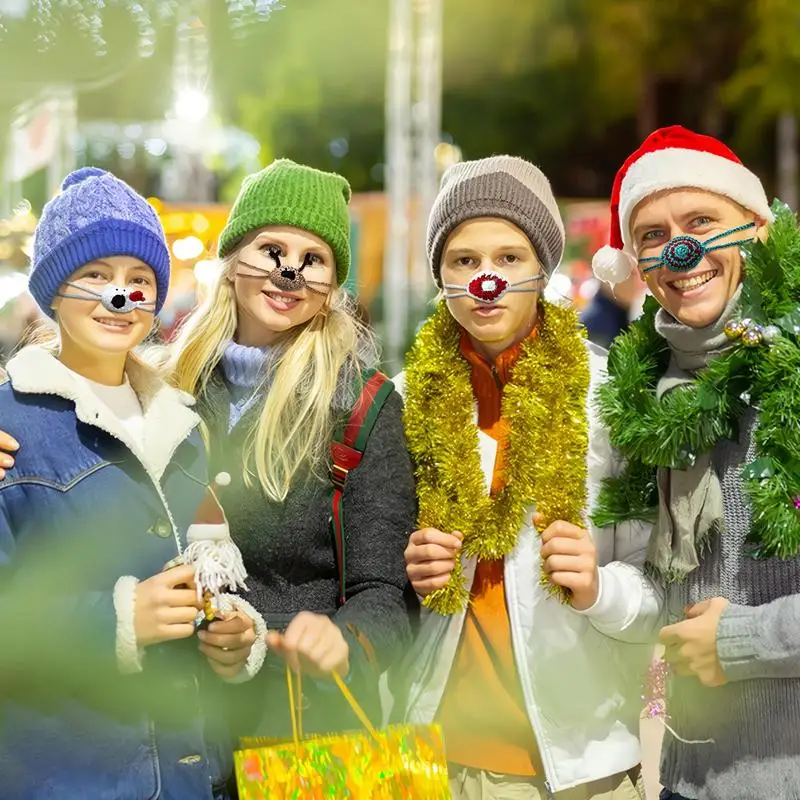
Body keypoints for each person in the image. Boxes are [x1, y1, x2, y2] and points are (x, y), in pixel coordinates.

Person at [398, 155, 658, 799]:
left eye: (509, 258)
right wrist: (405, 568)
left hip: (579, 769)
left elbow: (661, 589)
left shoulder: (608, 397)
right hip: (431, 761)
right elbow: (365, 584)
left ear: (542, 267)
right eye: (464, 261)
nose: (487, 279)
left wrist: (599, 587)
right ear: (441, 275)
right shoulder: (403, 403)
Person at [0, 167, 263, 799]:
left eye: (138, 279)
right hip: (70, 773)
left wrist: (231, 633)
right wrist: (118, 619)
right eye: (95, 274)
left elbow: (204, 568)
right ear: (51, 291)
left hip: (188, 772)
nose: (120, 296)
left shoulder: (183, 429)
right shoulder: (11, 426)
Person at [169, 158, 417, 736]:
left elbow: (384, 593)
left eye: (314, 260)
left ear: (332, 288)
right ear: (232, 262)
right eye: (272, 249)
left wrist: (342, 639)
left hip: (294, 727)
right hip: (172, 728)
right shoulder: (162, 388)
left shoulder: (359, 406)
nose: (290, 274)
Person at [590, 125, 800, 800]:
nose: (682, 249)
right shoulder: (645, 401)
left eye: (702, 220)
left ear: (759, 229)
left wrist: (742, 640)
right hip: (688, 780)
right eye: (653, 234)